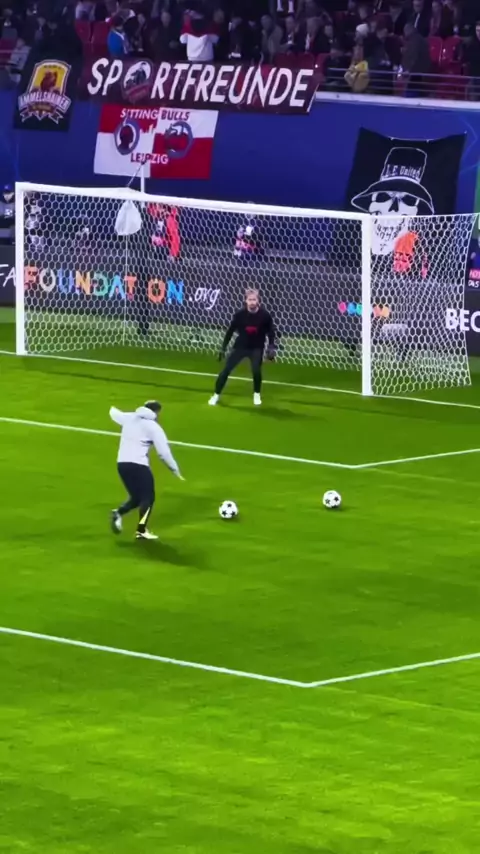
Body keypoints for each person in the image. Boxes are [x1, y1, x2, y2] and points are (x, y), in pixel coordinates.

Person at [110, 400, 183, 541]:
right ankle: (141, 530)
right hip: (139, 465)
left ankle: (118, 513)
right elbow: (163, 453)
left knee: (137, 498)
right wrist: (175, 469)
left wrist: (112, 406)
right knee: (148, 498)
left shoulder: (129, 418)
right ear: (156, 412)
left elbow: (114, 413)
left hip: (122, 465)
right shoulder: (153, 427)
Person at [209, 289, 276, 408]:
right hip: (240, 347)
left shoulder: (265, 316)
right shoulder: (239, 315)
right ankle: (216, 395)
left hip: (256, 347)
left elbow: (271, 332)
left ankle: (256, 394)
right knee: (226, 371)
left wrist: (271, 346)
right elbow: (230, 331)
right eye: (250, 299)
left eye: (254, 299)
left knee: (256, 371)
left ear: (258, 300)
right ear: (246, 301)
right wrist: (223, 348)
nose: (252, 302)